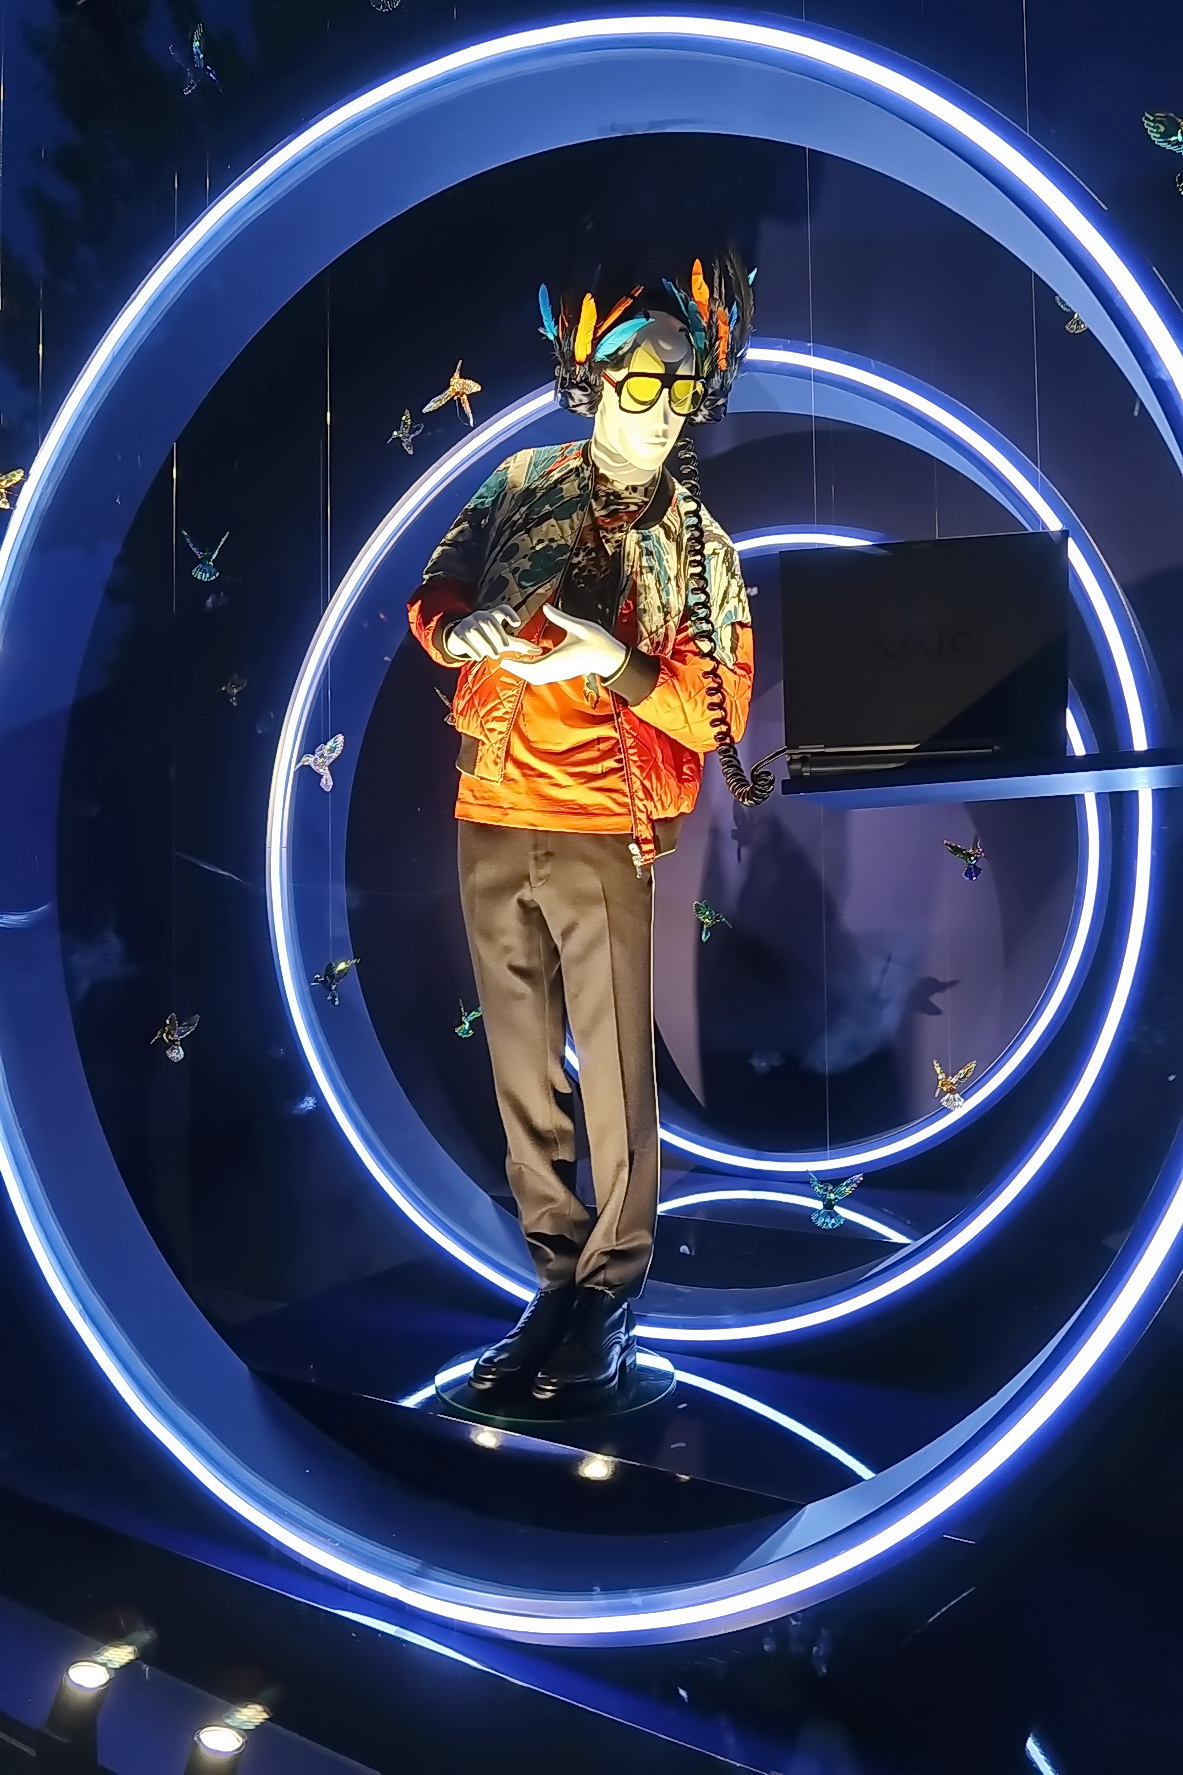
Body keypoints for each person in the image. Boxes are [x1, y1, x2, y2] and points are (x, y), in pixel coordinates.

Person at [408, 255, 755, 1402]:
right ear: (591, 381)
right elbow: (438, 585)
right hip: (491, 806)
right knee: (520, 1065)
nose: (654, 407)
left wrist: (615, 660)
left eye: (676, 386)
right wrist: (456, 631)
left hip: (606, 821)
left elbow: (721, 707)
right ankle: (553, 1277)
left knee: (613, 1071)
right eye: (633, 379)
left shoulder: (700, 544)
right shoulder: (517, 481)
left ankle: (611, 1287)